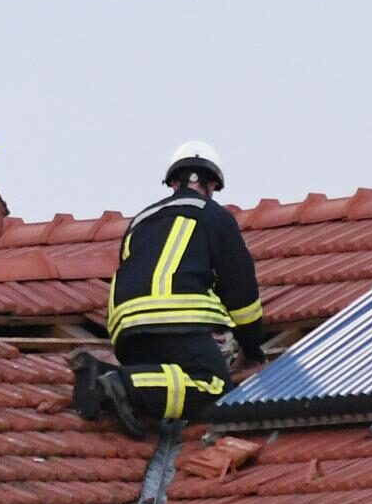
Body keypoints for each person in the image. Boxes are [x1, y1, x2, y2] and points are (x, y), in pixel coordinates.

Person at [70, 141, 265, 437]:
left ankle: (113, 380)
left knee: (167, 380)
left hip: (126, 330)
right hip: (176, 320)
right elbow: (240, 292)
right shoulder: (215, 216)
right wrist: (252, 346)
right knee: (212, 384)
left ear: (173, 182)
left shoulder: (140, 221)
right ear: (213, 184)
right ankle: (124, 384)